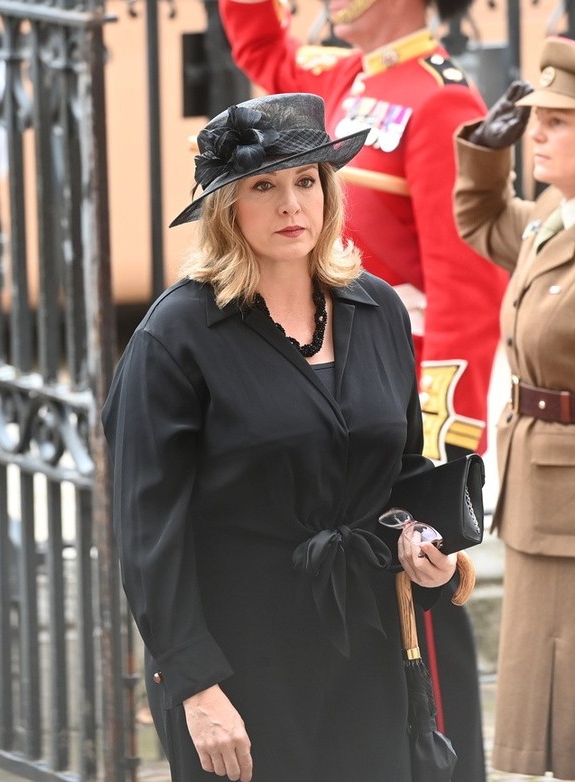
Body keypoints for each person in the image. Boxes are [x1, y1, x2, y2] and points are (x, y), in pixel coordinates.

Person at [102, 91, 460, 782]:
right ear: (226, 206)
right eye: (263, 186)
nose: (291, 205)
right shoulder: (175, 338)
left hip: (369, 648)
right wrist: (195, 685)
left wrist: (429, 545)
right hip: (238, 663)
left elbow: (404, 467)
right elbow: (149, 533)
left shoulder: (376, 307)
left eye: (306, 182)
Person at [218, 0, 510, 778]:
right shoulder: (348, 76)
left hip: (394, 411)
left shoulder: (440, 99)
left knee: (422, 659)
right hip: (329, 405)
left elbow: (465, 293)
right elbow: (263, 48)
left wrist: (439, 462)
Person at [453, 36, 575, 781]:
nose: (538, 132)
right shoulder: (552, 221)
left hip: (569, 505)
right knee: (551, 703)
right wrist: (484, 152)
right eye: (537, 118)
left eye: (558, 122)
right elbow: (481, 220)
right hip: (539, 493)